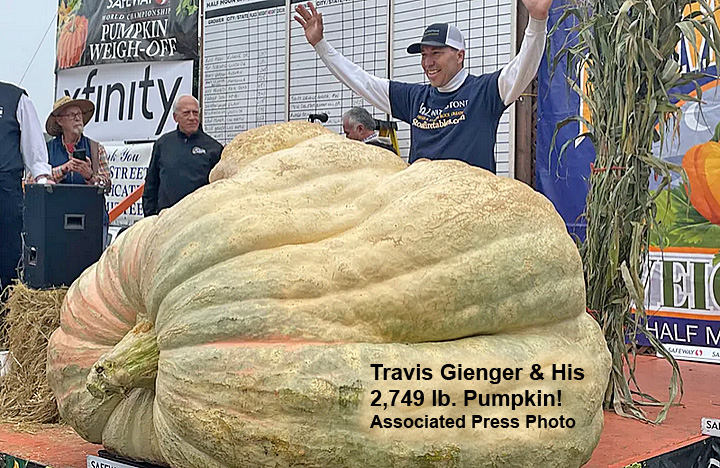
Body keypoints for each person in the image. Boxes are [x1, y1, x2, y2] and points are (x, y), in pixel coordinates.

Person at [294, 0, 552, 173]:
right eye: (423, 55)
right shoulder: (414, 97)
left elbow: (523, 68)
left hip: (472, 212)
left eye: (436, 54)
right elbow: (360, 80)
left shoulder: (484, 92)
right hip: (422, 212)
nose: (427, 63)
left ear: (459, 55)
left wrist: (537, 21)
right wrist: (321, 45)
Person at [0, 82, 53, 293]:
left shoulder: (15, 97)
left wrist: (42, 176)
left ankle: (7, 312)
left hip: (5, 188)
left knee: (9, 257)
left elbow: (34, 145)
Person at [46, 96, 112, 247]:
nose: (77, 118)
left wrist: (90, 175)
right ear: (59, 121)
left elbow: (107, 185)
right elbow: (33, 181)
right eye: (71, 115)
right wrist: (64, 169)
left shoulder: (96, 148)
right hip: (55, 222)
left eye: (79, 114)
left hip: (91, 222)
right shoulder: (47, 150)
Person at [143, 95, 223, 216]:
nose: (192, 117)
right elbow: (151, 184)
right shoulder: (163, 144)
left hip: (199, 219)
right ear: (175, 117)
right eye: (186, 113)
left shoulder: (214, 148)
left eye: (195, 113)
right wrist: (150, 216)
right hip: (165, 219)